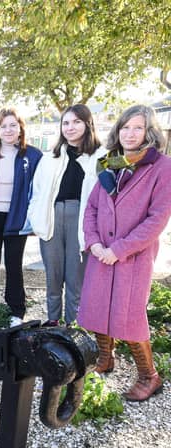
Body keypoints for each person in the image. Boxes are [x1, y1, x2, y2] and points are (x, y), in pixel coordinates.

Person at [78, 105, 171, 401]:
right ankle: (105, 359)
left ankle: (149, 376)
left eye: (137, 128)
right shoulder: (109, 163)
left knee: (129, 316)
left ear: (149, 132)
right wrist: (93, 242)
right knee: (97, 307)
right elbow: (92, 207)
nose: (130, 134)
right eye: (125, 128)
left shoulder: (161, 166)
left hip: (132, 256)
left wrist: (118, 250)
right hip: (100, 252)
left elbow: (157, 219)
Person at [27, 104, 106, 326]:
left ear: (88, 124)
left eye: (76, 122)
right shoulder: (50, 156)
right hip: (52, 217)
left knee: (75, 276)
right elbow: (37, 191)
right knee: (53, 275)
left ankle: (74, 325)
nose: (70, 127)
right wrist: (35, 216)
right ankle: (53, 320)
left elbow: (112, 188)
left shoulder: (102, 155)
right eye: (66, 123)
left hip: (82, 218)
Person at [0, 107, 42, 327]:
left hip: (16, 218)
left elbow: (38, 189)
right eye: (3, 126)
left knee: (14, 264)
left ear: (21, 128)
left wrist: (33, 219)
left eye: (13, 125)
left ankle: (16, 309)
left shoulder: (32, 155)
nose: (8, 130)